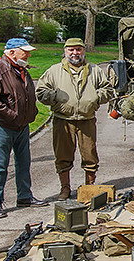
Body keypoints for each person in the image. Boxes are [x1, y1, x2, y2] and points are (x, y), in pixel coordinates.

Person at [35, 38, 117, 200]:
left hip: (87, 119)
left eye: (78, 49)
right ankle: (65, 188)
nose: (75, 53)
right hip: (62, 120)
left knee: (90, 155)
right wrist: (56, 97)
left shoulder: (95, 70)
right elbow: (41, 92)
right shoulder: (54, 71)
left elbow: (108, 90)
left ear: (83, 51)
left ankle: (89, 187)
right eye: (71, 50)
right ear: (65, 51)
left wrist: (94, 98)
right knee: (62, 155)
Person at [0, 37, 47, 218]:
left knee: (24, 162)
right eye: (24, 52)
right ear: (11, 52)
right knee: (0, 165)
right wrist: (12, 115)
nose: (28, 55)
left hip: (21, 126)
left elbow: (27, 95)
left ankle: (25, 196)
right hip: (3, 126)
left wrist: (31, 113)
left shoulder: (22, 69)